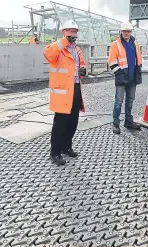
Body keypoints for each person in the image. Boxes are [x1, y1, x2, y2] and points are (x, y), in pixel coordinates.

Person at [44, 20, 87, 165]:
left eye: (74, 32)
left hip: (75, 88)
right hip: (62, 92)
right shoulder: (57, 47)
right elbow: (48, 55)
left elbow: (82, 64)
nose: (72, 34)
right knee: (60, 122)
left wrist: (83, 71)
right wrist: (64, 42)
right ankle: (55, 152)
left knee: (73, 121)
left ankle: (66, 146)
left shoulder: (77, 49)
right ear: (63, 32)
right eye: (69, 31)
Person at [108, 21, 142, 134]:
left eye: (128, 31)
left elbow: (138, 57)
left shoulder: (134, 42)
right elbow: (112, 62)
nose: (126, 33)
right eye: (124, 31)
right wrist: (120, 74)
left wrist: (138, 69)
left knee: (130, 101)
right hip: (122, 77)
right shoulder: (116, 44)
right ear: (121, 32)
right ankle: (115, 123)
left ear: (131, 32)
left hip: (132, 77)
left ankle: (128, 121)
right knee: (119, 101)